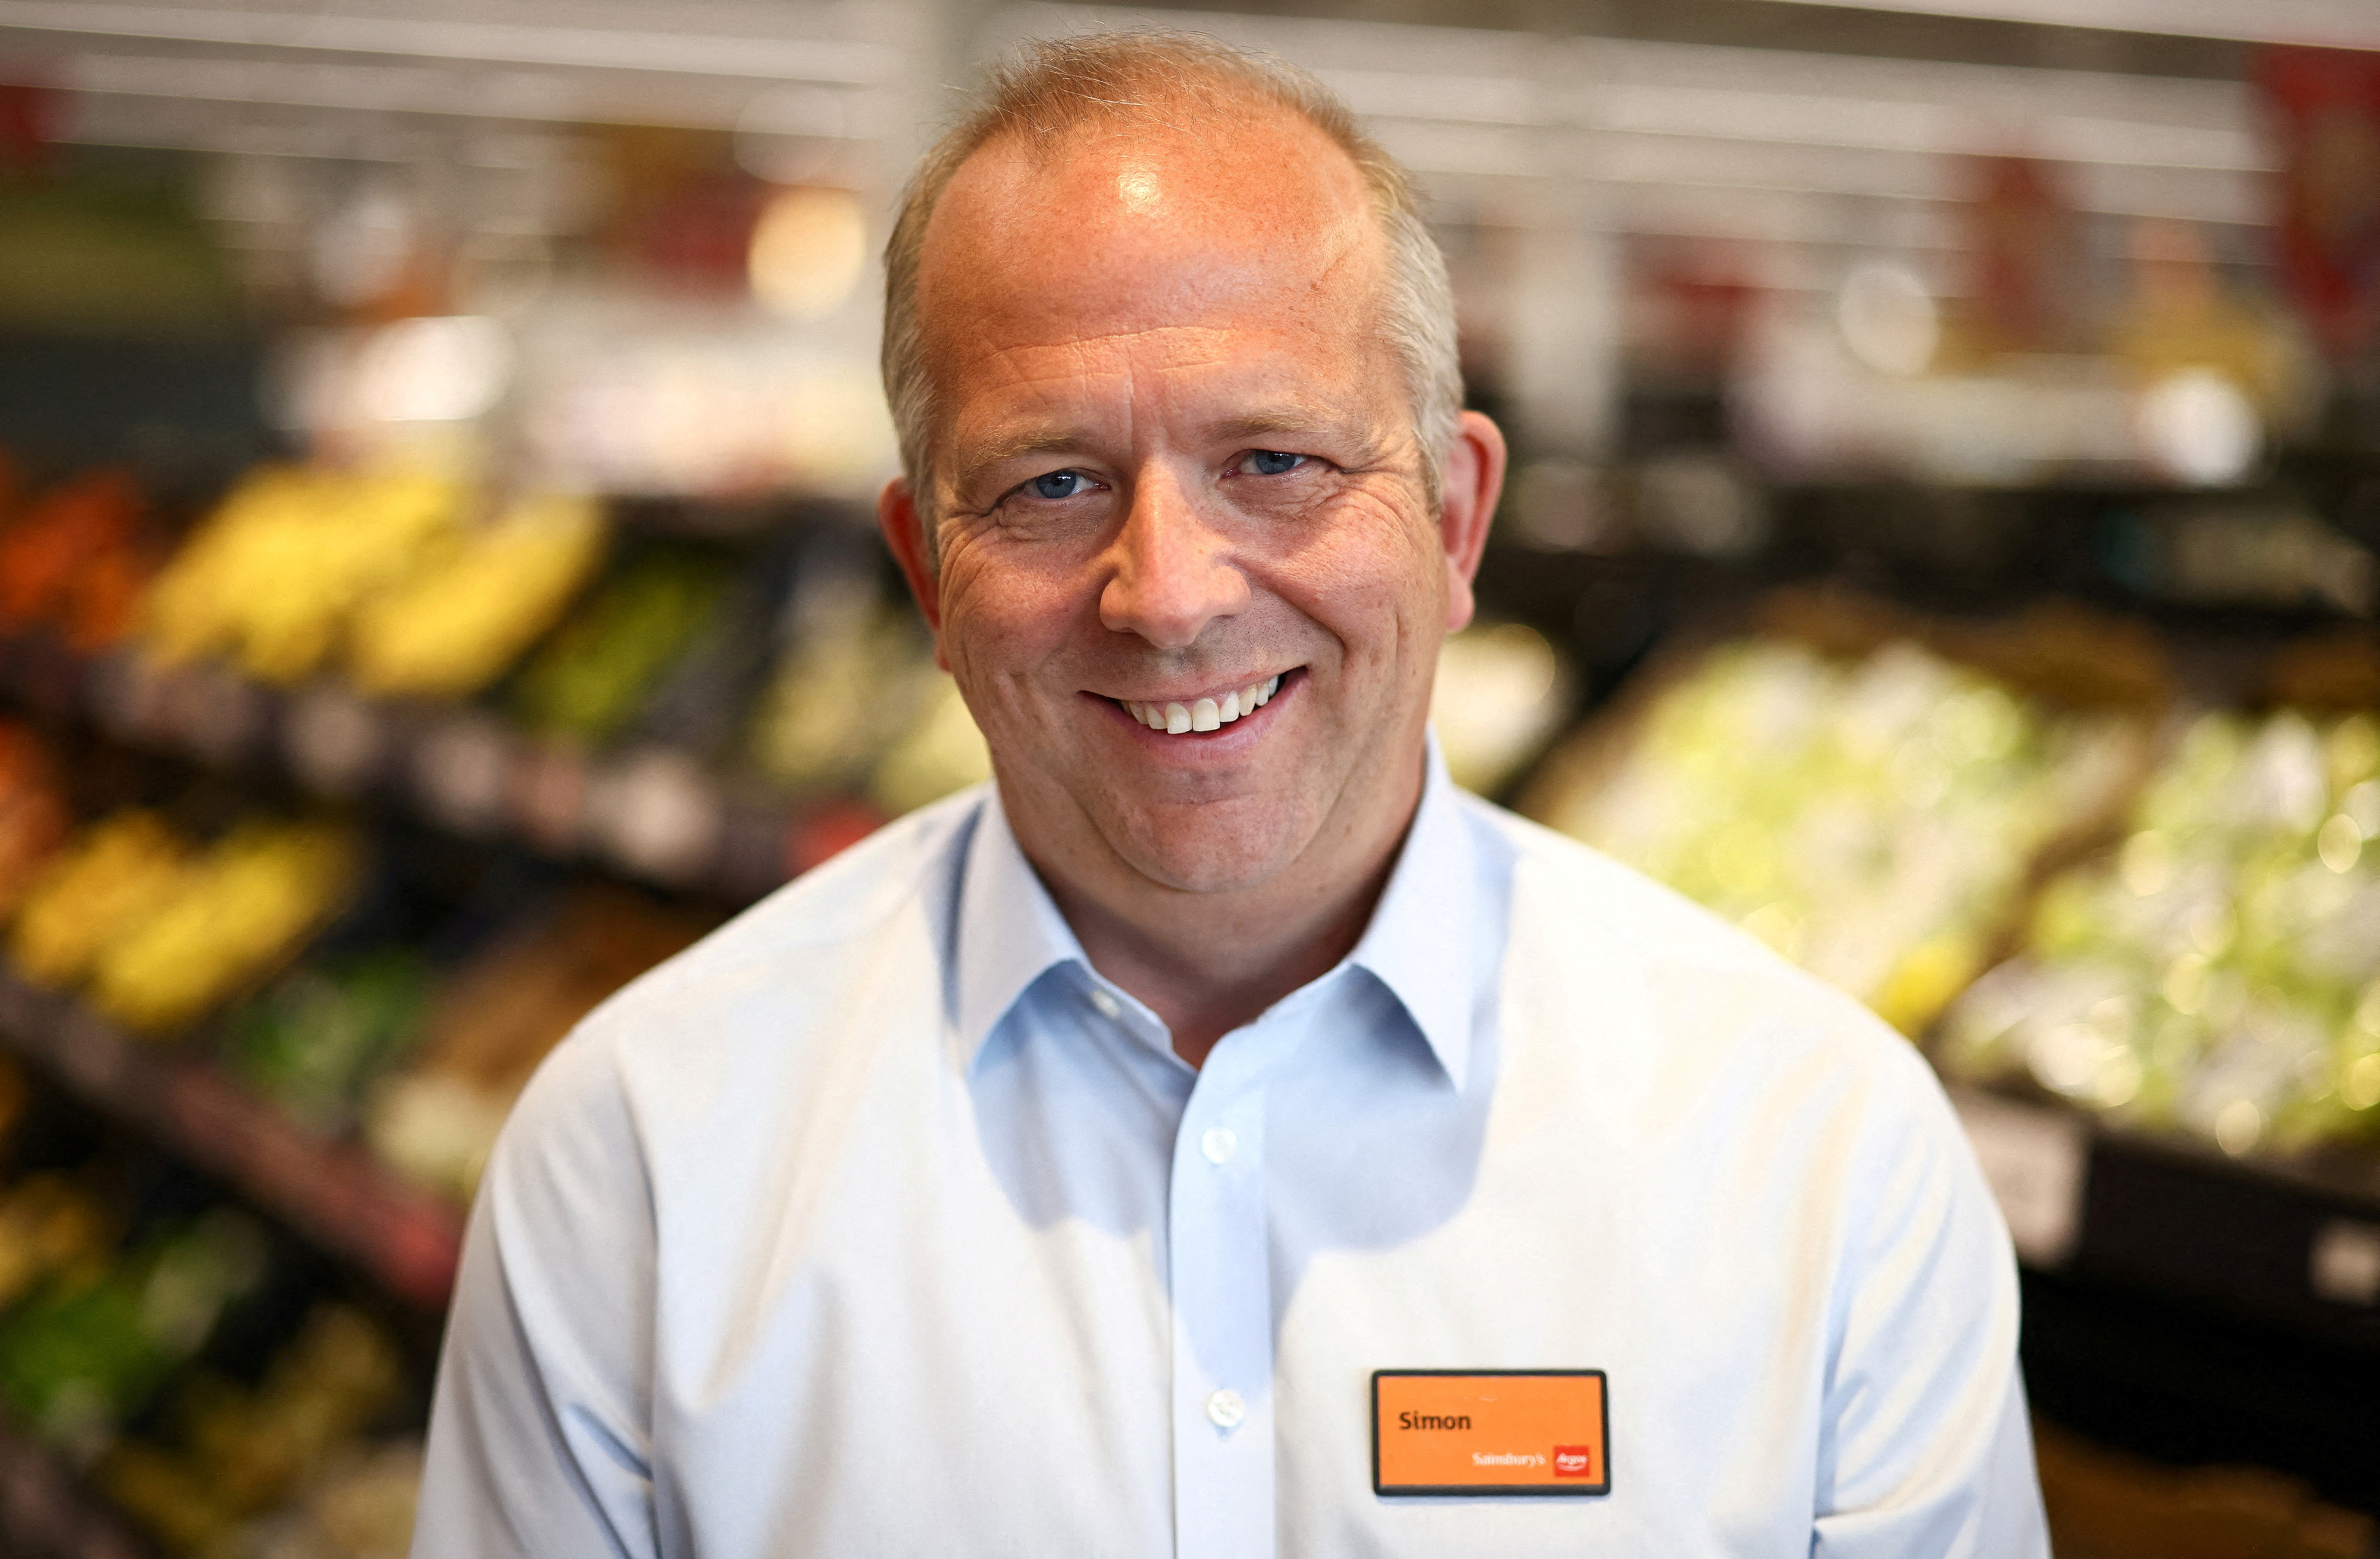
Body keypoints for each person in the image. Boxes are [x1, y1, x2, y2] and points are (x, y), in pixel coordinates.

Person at [413, 32, 2048, 1558]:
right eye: (1051, 485)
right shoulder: (635, 1166)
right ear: (925, 572)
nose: (1171, 593)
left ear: (1459, 521)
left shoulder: (1822, 1160)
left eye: (1275, 461)